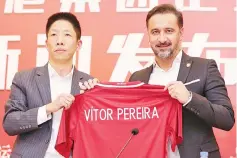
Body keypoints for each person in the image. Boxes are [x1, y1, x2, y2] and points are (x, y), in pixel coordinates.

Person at [80, 4, 235, 158]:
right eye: (155, 32)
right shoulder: (138, 78)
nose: (162, 39)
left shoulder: (204, 68)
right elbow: (124, 122)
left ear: (180, 34)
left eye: (169, 31)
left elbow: (227, 119)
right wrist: (94, 95)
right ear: (148, 35)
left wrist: (189, 98)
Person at [3, 12, 93, 158]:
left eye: (67, 35)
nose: (60, 41)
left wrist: (91, 100)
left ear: (78, 44)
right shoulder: (24, 79)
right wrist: (48, 109)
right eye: (54, 35)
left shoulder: (89, 84)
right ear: (46, 43)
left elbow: (95, 135)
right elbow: (10, 123)